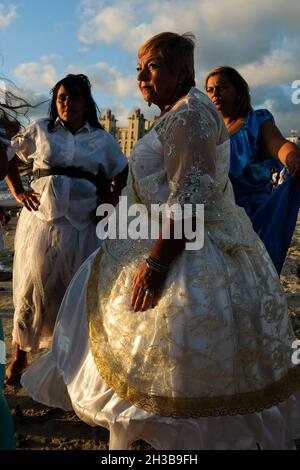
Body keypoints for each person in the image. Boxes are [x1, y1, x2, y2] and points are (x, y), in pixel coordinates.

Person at [21, 33, 300, 450]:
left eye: (151, 66)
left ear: (180, 70)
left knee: (179, 362)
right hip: (156, 237)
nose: (141, 76)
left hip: (191, 253)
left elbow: (191, 199)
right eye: (138, 68)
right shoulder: (178, 114)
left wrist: (155, 266)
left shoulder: (191, 116)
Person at [4, 74, 128, 385]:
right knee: (32, 290)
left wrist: (112, 199)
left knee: (74, 293)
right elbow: (6, 156)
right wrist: (18, 192)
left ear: (86, 103)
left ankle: (68, 359)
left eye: (73, 97)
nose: (66, 102)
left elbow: (124, 171)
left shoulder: (102, 140)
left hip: (84, 225)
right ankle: (20, 353)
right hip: (42, 223)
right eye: (61, 97)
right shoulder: (41, 130)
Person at [205, 66, 300, 273]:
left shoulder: (256, 122)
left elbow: (280, 145)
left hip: (253, 218)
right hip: (218, 216)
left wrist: (292, 156)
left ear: (239, 91)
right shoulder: (209, 132)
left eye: (222, 87)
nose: (215, 94)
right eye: (210, 90)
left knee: (250, 278)